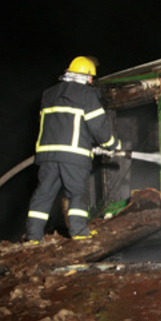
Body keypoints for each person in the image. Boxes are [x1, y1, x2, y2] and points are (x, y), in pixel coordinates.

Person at [26, 56, 122, 242]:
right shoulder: (87, 94)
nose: (92, 81)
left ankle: (33, 236)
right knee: (77, 194)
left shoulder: (49, 94)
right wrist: (112, 145)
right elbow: (98, 126)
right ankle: (79, 233)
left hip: (47, 154)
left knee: (44, 194)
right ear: (85, 76)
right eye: (91, 77)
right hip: (73, 155)